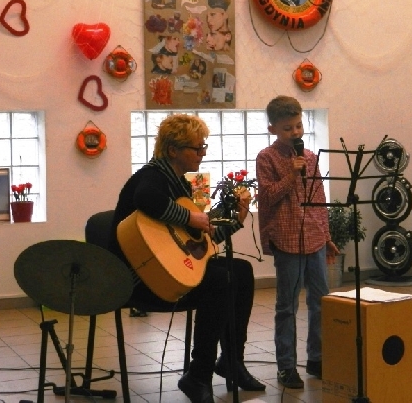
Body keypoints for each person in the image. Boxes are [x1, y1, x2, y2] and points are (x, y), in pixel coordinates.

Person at [108, 114, 265, 403]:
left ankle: (231, 361)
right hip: (144, 279)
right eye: (197, 148)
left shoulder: (181, 185)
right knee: (220, 279)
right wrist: (191, 217)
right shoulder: (152, 175)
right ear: (173, 150)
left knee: (241, 270)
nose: (202, 153)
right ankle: (199, 374)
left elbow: (196, 247)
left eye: (203, 147)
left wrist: (237, 221)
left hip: (168, 270)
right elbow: (146, 198)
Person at [256, 95, 338, 389]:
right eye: (287, 128)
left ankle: (317, 358)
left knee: (320, 301)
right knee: (287, 307)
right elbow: (267, 197)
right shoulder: (267, 158)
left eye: (298, 126)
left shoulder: (311, 158)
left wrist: (327, 237)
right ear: (273, 129)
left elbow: (319, 200)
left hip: (315, 238)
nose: (295, 132)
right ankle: (287, 366)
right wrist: (291, 175)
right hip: (287, 238)